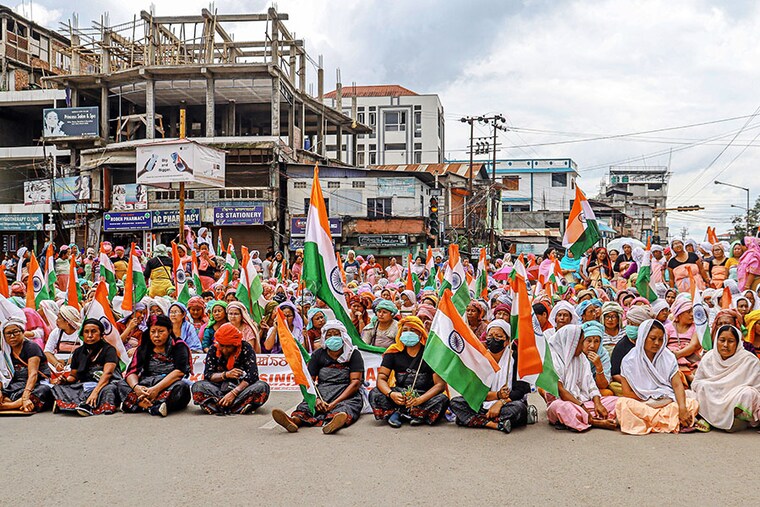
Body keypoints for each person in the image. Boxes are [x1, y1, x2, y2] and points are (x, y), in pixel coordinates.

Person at [272, 320, 364, 435]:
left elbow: (355, 382)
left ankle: (333, 423)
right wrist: (316, 399)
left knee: (346, 407)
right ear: (324, 337)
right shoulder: (318, 354)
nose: (332, 337)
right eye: (329, 334)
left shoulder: (353, 354)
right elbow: (309, 380)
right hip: (322, 391)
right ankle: (293, 421)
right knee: (306, 406)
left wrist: (333, 404)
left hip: (346, 393)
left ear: (343, 336)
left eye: (336, 334)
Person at [450, 319, 537, 433]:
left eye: (498, 336)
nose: (493, 339)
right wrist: (497, 395)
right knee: (456, 402)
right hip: (483, 401)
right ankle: (494, 424)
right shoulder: (480, 358)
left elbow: (520, 391)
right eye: (490, 336)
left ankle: (471, 419)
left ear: (507, 341)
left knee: (518, 408)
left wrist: (500, 403)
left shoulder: (516, 358)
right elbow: (474, 391)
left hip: (508, 403)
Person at [615, 319, 701, 434]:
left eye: (661, 339)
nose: (657, 343)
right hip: (644, 402)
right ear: (643, 337)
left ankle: (652, 421)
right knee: (623, 404)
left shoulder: (668, 357)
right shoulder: (628, 361)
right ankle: (670, 421)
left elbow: (677, 385)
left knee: (692, 402)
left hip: (667, 400)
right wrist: (651, 397)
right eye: (653, 338)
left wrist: (681, 408)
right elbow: (627, 393)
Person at [369, 316, 448, 427]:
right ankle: (408, 414)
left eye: (412, 330)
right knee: (375, 393)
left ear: (420, 333)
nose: (408, 333)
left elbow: (440, 385)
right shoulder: (393, 352)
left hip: (423, 395)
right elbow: (381, 378)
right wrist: (392, 394)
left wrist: (420, 400)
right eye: (405, 330)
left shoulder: (430, 353)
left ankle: (406, 413)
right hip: (400, 393)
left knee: (442, 399)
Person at [545, 325, 618, 431]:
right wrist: (582, 407)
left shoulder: (581, 357)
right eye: (581, 342)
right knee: (561, 407)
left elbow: (590, 384)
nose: (583, 345)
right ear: (571, 344)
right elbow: (560, 391)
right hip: (565, 403)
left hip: (584, 401)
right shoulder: (552, 358)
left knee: (616, 401)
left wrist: (598, 403)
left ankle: (585, 418)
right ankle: (595, 421)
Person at [117, 315, 192, 417]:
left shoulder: (179, 346)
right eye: (153, 332)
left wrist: (156, 389)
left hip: (167, 383)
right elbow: (132, 372)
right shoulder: (143, 347)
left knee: (182, 387)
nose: (156, 335)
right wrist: (136, 388)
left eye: (161, 332)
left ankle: (136, 404)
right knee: (121, 383)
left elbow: (179, 372)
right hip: (147, 383)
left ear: (169, 331)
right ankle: (152, 406)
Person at [692, 325, 760, 432]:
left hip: (734, 398)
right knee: (701, 387)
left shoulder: (749, 360)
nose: (725, 345)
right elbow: (696, 383)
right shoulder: (709, 357)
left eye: (731, 341)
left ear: (737, 343)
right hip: (712, 395)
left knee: (749, 394)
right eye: (722, 340)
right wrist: (714, 388)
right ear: (716, 341)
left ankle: (730, 419)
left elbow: (757, 388)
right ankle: (720, 421)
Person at [191, 323, 270, 415]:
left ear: (235, 344)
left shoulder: (246, 348)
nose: (224, 349)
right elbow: (208, 375)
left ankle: (218, 406)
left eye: (228, 346)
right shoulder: (213, 349)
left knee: (262, 387)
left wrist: (234, 393)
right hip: (218, 388)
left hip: (240, 389)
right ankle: (236, 406)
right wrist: (225, 375)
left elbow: (252, 376)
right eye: (222, 345)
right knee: (197, 386)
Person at [50, 319, 121, 416]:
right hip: (85, 384)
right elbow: (73, 376)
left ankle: (85, 406)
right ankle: (82, 404)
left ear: (101, 334)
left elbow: (107, 374)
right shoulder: (78, 352)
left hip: (104, 384)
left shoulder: (109, 350)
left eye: (94, 331)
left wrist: (95, 393)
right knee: (59, 387)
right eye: (86, 332)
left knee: (109, 390)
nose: (90, 335)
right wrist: (65, 380)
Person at [0, 319, 52, 413]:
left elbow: (33, 374)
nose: (12, 336)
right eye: (8, 333)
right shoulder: (5, 352)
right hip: (15, 385)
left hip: (36, 383)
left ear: (23, 332)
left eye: (15, 332)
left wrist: (25, 397)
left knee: (44, 390)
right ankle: (18, 404)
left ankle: (10, 405)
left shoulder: (31, 347)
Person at [664, 298, 702, 382]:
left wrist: (678, 354)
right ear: (679, 314)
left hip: (691, 358)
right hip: (672, 359)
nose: (692, 314)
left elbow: (694, 345)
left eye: (693, 311)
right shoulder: (668, 327)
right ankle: (691, 379)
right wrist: (673, 354)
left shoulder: (695, 327)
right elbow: (663, 345)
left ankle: (692, 378)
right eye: (688, 312)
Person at [43, 305, 83, 370]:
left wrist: (66, 362)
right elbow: (47, 352)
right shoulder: (56, 332)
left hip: (75, 365)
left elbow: (84, 354)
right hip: (58, 365)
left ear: (67, 322)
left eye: (59, 318)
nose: (56, 320)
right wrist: (56, 364)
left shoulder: (80, 334)